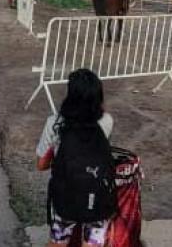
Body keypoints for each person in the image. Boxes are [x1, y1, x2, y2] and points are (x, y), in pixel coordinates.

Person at [36, 69, 115, 247]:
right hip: (97, 196)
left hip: (66, 197)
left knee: (58, 241)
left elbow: (41, 165)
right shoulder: (107, 121)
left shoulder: (55, 123)